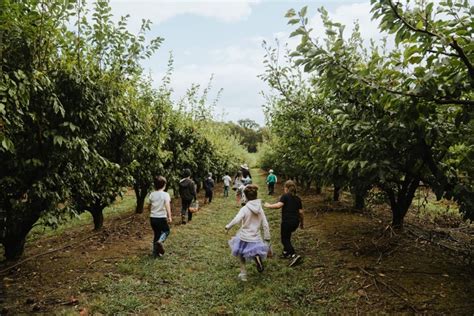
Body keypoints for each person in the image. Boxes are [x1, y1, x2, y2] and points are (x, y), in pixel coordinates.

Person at [225, 185, 271, 281]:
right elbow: (265, 223)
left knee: (241, 254)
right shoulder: (260, 209)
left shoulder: (244, 209)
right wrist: (267, 237)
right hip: (256, 236)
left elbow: (237, 219)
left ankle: (243, 274)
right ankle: (257, 259)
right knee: (254, 250)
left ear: (245, 197)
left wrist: (228, 227)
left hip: (244, 236)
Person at [264, 180, 304, 267]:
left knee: (284, 239)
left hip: (287, 221)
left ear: (286, 188)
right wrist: (301, 223)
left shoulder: (285, 196)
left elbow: (278, 205)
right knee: (287, 236)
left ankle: (294, 255)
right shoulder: (298, 199)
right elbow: (301, 213)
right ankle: (286, 253)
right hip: (295, 222)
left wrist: (268, 205)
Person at [147, 176, 172, 258]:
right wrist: (169, 216)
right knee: (166, 231)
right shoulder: (165, 195)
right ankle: (160, 241)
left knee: (156, 234)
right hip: (161, 217)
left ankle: (155, 253)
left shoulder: (152, 194)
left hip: (153, 218)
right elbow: (167, 205)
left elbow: (149, 206)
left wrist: (150, 212)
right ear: (164, 185)